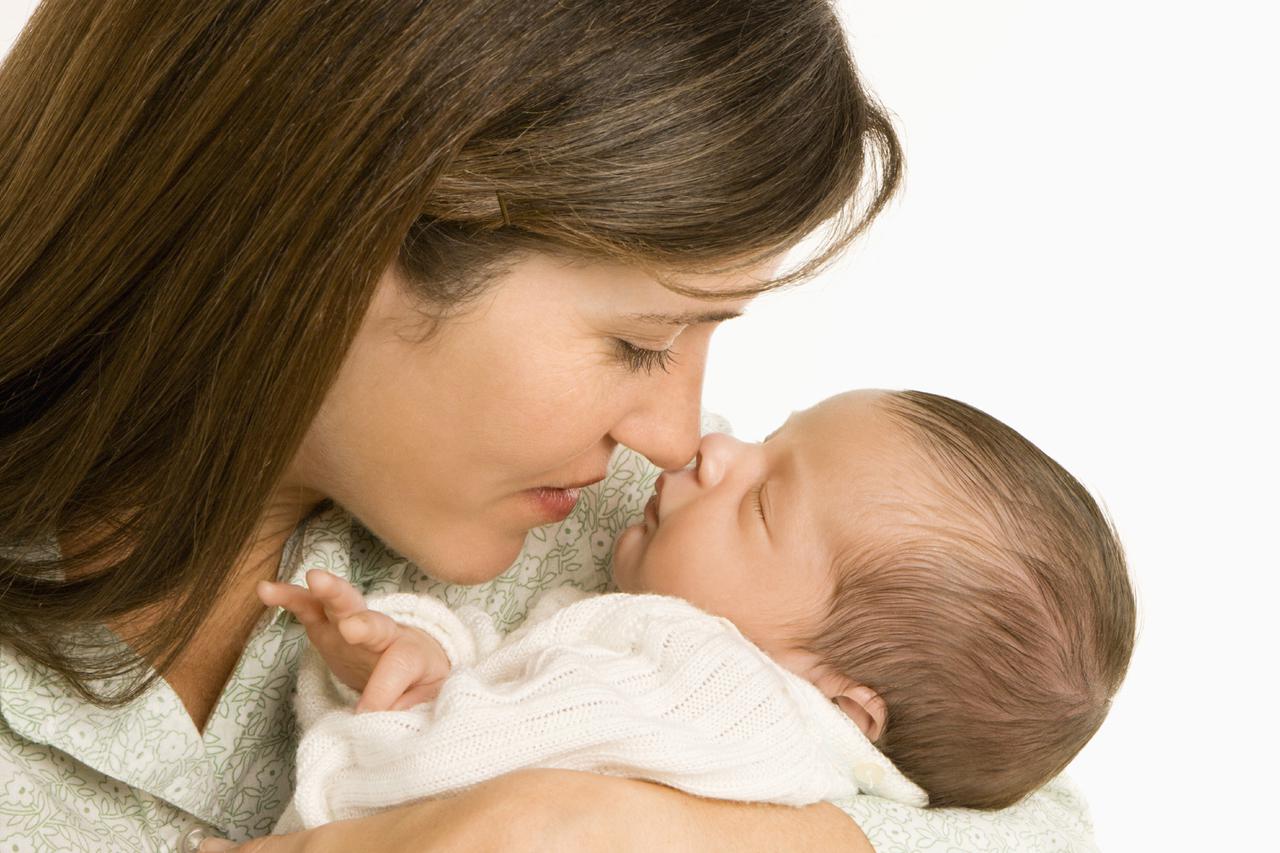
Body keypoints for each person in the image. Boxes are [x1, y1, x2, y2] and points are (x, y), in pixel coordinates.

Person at [0, 2, 1098, 851]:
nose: (677, 435)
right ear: (341, 240)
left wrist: (575, 825)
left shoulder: (630, 546)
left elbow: (1027, 813)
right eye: (639, 341)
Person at [258, 389, 1134, 832]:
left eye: (760, 502)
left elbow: (468, 789)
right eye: (762, 440)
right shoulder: (756, 750)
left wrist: (390, 727)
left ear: (838, 700)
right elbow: (523, 723)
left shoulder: (717, 689)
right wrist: (432, 659)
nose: (713, 447)